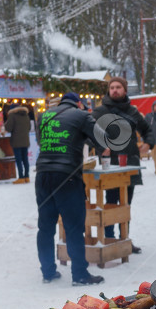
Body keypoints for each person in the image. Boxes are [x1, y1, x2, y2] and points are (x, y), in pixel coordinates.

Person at [35, 92, 103, 285]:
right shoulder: (81, 115)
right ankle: (80, 275)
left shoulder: (44, 115)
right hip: (67, 177)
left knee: (45, 227)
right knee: (73, 227)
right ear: (79, 103)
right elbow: (102, 141)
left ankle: (48, 272)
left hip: (42, 175)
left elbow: (43, 143)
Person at [92, 76, 154, 253]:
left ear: (125, 90)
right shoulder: (100, 112)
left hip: (130, 164)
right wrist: (100, 146)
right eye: (112, 87)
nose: (115, 90)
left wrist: (148, 143)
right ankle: (109, 238)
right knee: (111, 202)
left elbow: (147, 130)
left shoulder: (133, 112)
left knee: (126, 204)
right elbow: (88, 131)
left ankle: (124, 238)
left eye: (118, 87)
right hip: (109, 166)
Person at [5, 105, 32, 183]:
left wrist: (6, 124)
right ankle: (27, 177)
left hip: (16, 141)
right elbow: (29, 127)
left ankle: (21, 177)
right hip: (25, 140)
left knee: (19, 159)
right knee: (25, 159)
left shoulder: (12, 115)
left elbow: (9, 128)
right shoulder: (26, 115)